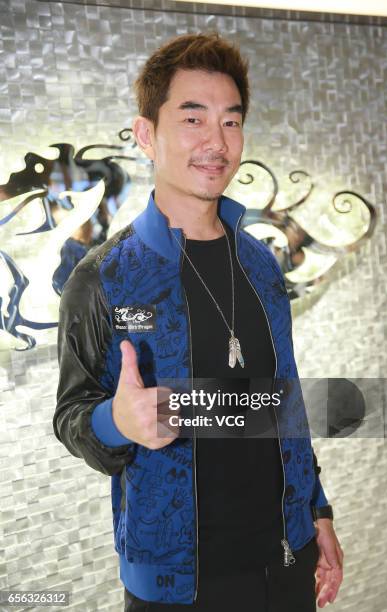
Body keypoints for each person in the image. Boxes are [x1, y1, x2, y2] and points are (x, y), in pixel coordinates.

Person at [53, 31, 344, 611]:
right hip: (175, 587)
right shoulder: (103, 277)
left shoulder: (261, 263)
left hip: (284, 563)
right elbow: (71, 415)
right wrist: (117, 420)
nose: (216, 142)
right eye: (192, 119)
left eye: (231, 122)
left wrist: (317, 512)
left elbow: (280, 403)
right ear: (146, 136)